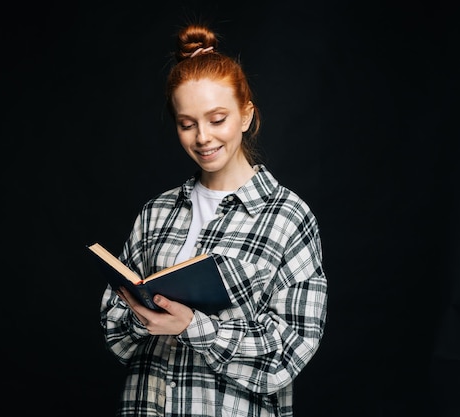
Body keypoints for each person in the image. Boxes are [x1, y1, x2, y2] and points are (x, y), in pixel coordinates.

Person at [100, 22, 327, 417]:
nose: (202, 137)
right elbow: (116, 335)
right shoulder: (156, 213)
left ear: (245, 115)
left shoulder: (288, 217)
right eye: (187, 124)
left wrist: (192, 326)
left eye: (217, 119)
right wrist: (142, 317)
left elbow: (288, 353)